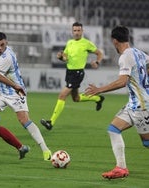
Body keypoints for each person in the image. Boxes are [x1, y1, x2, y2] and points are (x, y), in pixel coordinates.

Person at [85, 25, 149, 179]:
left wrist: (99, 90)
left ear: (114, 41)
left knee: (147, 142)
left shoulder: (125, 56)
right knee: (113, 129)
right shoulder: (139, 53)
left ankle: (121, 168)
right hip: (134, 103)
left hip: (141, 105)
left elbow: (122, 82)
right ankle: (120, 168)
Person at [0, 32, 52, 161]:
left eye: (2, 45)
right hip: (2, 93)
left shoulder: (7, 58)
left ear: (7, 44)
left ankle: (46, 150)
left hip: (16, 92)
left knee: (24, 120)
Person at [40, 22, 104, 130]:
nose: (77, 33)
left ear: (82, 31)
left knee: (62, 95)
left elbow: (99, 53)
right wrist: (60, 57)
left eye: (79, 30)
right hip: (69, 72)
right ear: (72, 31)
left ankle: (51, 122)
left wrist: (97, 62)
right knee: (76, 98)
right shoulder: (69, 43)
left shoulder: (86, 43)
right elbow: (66, 58)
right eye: (75, 30)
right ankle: (98, 98)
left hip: (78, 73)